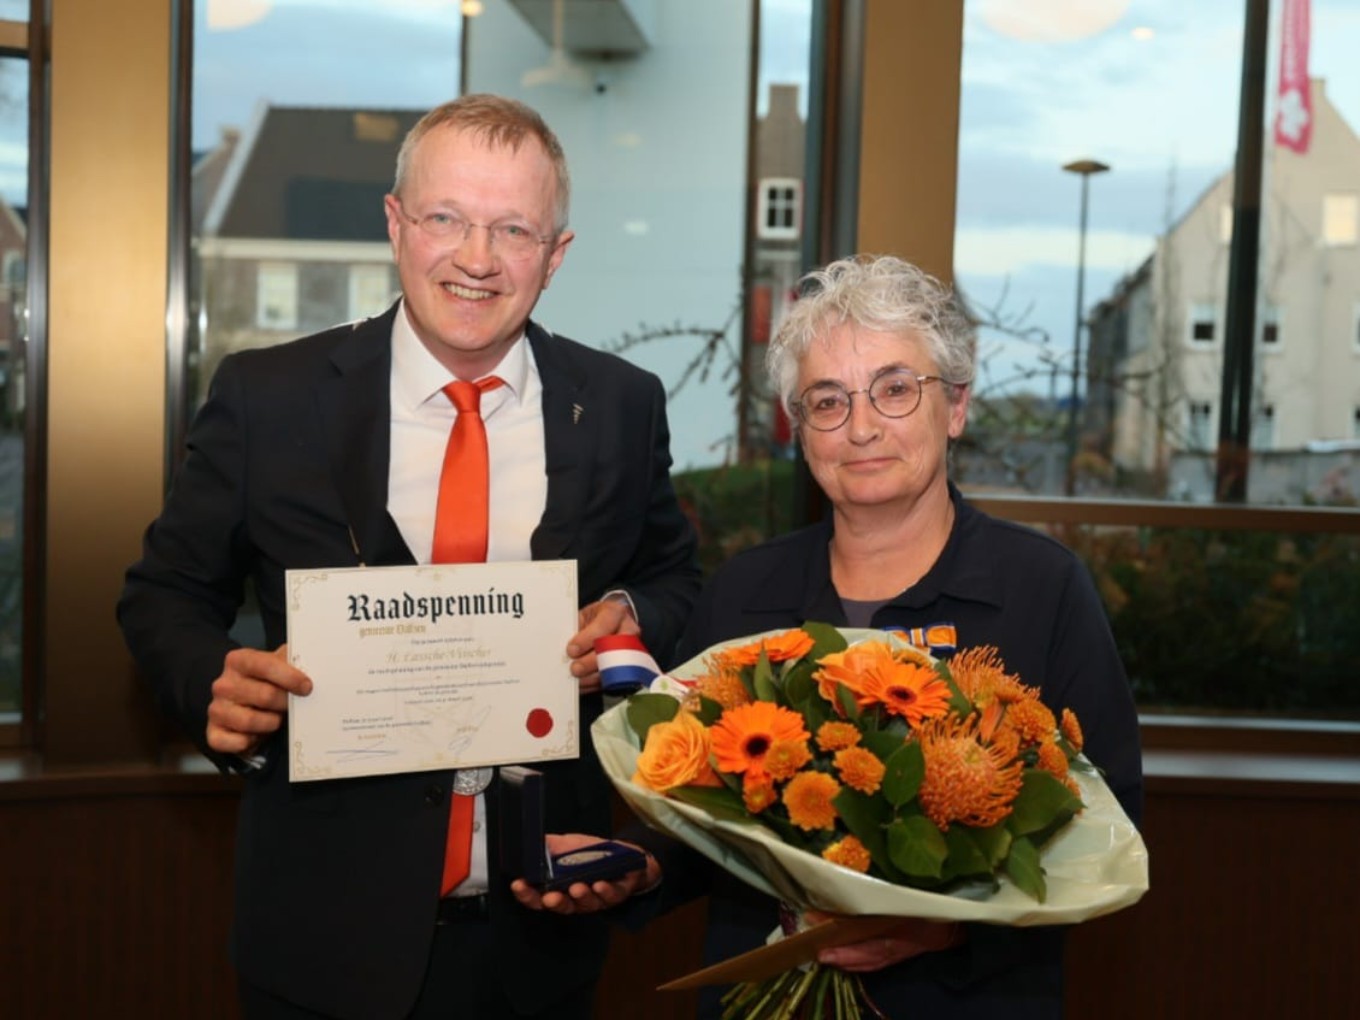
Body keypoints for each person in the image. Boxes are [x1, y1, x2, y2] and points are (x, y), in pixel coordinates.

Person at [117, 94, 697, 1020]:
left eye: (514, 229)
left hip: (540, 937)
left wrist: (634, 611)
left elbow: (677, 579)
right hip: (322, 939)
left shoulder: (623, 404)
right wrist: (212, 684)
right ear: (396, 225)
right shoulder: (271, 398)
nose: (477, 258)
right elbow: (164, 595)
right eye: (446, 219)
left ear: (556, 254)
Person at [639, 254, 1143, 1018]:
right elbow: (694, 825)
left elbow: (1107, 833)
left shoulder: (1042, 590)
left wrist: (938, 929)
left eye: (896, 390)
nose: (863, 426)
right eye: (828, 401)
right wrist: (631, 870)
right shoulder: (743, 595)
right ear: (800, 430)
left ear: (958, 407)